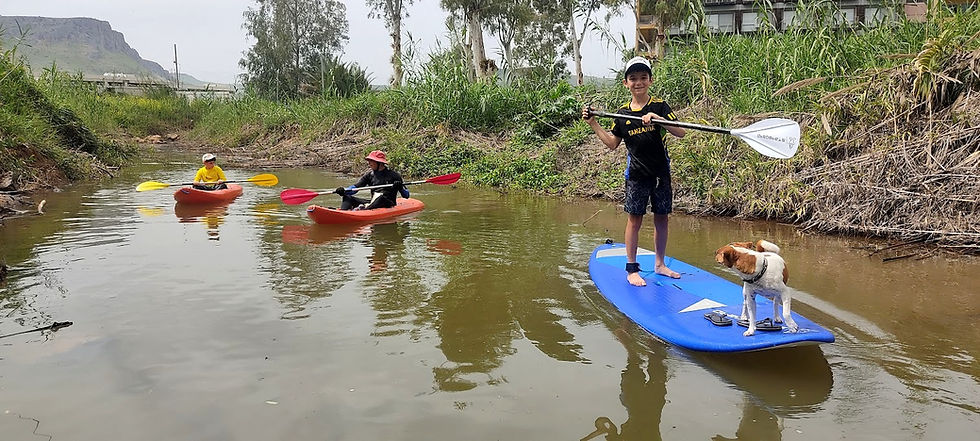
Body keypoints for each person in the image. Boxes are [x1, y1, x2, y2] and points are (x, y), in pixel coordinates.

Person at [583, 56, 686, 286]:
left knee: (662, 219)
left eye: (642, 78)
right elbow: (612, 144)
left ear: (650, 80)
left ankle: (660, 265)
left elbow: (681, 132)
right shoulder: (622, 114)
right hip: (636, 175)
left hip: (661, 173)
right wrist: (594, 124)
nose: (638, 82)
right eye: (633, 78)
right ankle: (632, 269)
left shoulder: (659, 106)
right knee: (634, 220)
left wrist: (658, 120)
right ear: (626, 83)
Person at [334, 150, 410, 210]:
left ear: (379, 163)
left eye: (371, 161)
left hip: (388, 203)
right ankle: (343, 212)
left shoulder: (394, 175)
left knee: (381, 198)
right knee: (347, 197)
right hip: (373, 203)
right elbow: (355, 188)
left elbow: (406, 195)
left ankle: (364, 210)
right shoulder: (369, 175)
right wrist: (344, 191)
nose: (369, 163)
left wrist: (400, 187)